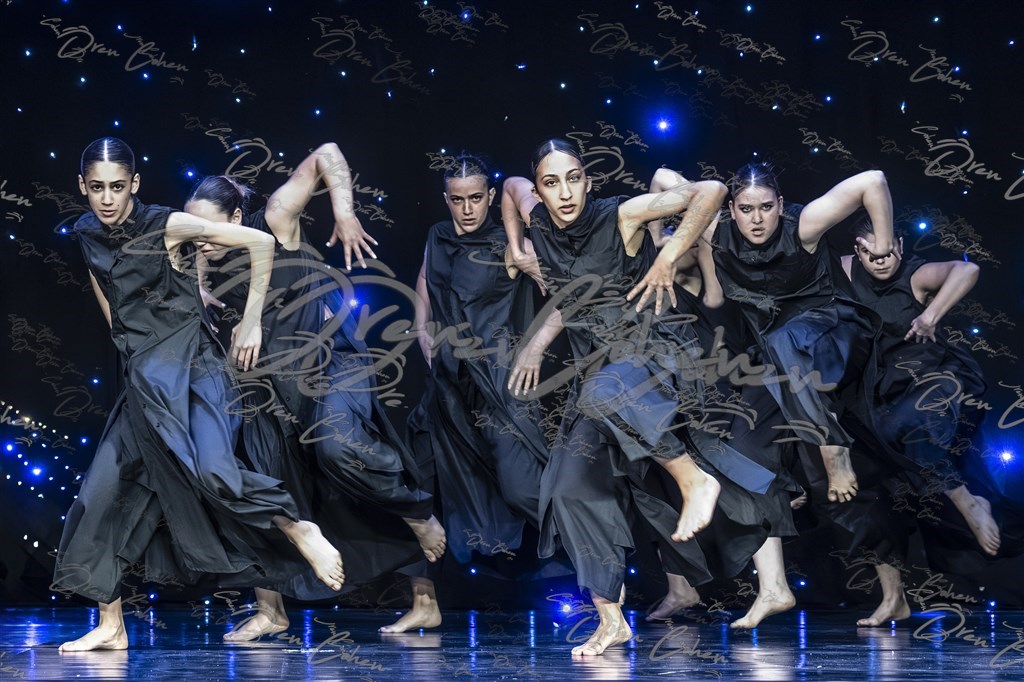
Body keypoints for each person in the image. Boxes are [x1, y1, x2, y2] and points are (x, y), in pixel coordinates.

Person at [54, 137, 344, 653]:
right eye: (97, 188)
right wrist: (129, 347)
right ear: (82, 186)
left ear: (135, 184)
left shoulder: (168, 224)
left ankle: (298, 529)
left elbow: (260, 244)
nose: (107, 199)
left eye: (117, 187)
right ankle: (111, 624)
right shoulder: (85, 232)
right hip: (145, 381)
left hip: (193, 371)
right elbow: (108, 291)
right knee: (100, 494)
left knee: (214, 473)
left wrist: (251, 322)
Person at [502, 140, 781, 656]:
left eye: (574, 178)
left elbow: (711, 191)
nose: (565, 192)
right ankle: (612, 620)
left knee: (605, 392)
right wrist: (518, 250)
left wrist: (668, 257)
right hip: (599, 376)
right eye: (551, 183)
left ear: (588, 180)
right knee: (567, 488)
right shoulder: (536, 218)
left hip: (654, 355)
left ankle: (693, 480)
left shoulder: (622, 215)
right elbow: (509, 186)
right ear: (539, 191)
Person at [185, 143, 446, 641]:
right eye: (193, 230)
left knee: (339, 449)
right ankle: (271, 610)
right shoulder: (205, 258)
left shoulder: (274, 219)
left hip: (332, 366)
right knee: (261, 483)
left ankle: (416, 515)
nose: (201, 239)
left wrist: (344, 213)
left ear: (236, 218)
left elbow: (327, 153)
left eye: (209, 228)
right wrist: (197, 279)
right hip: (270, 390)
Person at [841, 219, 997, 554]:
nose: (880, 261)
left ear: (899, 244)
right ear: (857, 251)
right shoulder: (844, 269)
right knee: (877, 446)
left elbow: (968, 270)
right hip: (884, 388)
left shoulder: (915, 275)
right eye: (870, 255)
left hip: (932, 377)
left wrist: (931, 315)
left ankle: (968, 502)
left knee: (911, 423)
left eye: (887, 252)